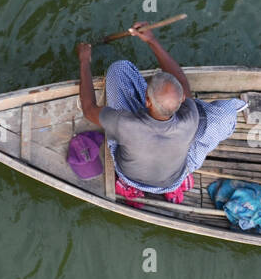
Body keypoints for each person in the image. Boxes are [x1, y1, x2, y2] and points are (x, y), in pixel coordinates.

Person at [76, 21, 201, 197]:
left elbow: (89, 110)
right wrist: (152, 40)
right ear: (182, 100)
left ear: (147, 102)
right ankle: (170, 190)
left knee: (118, 68)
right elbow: (181, 79)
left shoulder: (125, 123)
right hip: (173, 180)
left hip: (130, 177)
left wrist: (84, 62)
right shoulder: (191, 117)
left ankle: (129, 186)